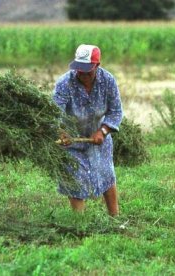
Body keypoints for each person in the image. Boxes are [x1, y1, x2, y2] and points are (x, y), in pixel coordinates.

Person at [52, 44, 123, 216]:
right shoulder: (64, 83)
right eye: (79, 69)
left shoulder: (108, 81)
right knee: (74, 176)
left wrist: (103, 131)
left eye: (87, 70)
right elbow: (53, 113)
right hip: (71, 138)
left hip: (98, 137)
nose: (82, 74)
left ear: (97, 65)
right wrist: (61, 132)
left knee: (106, 173)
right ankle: (79, 222)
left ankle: (114, 217)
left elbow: (115, 111)